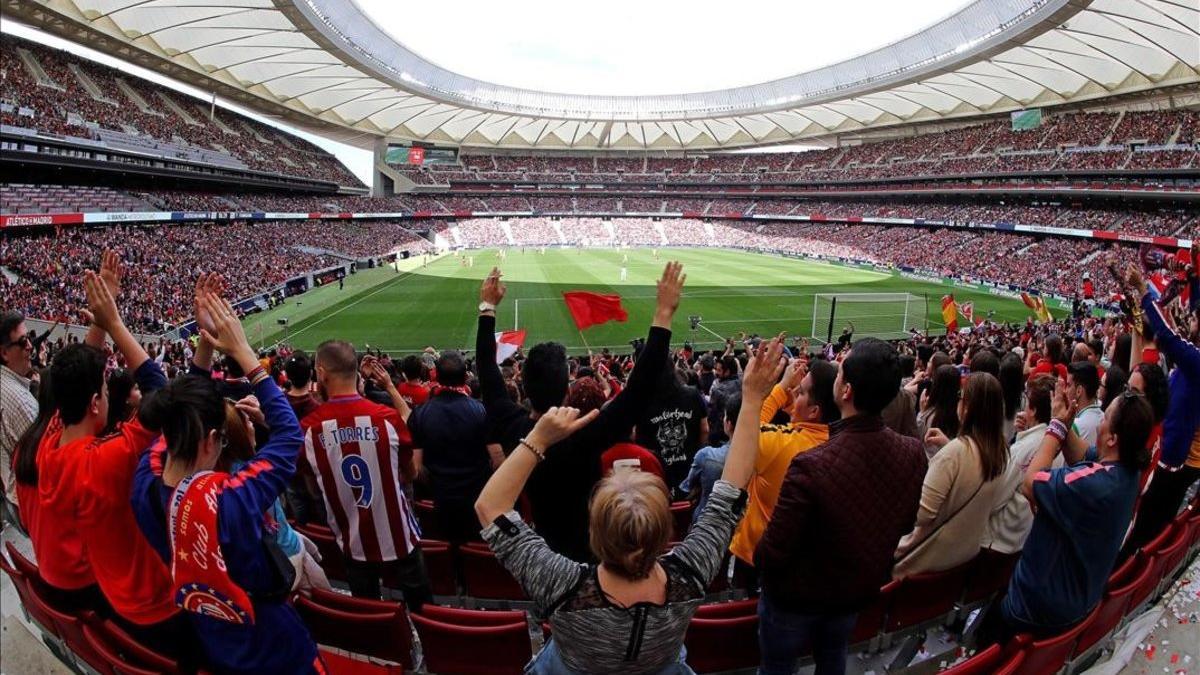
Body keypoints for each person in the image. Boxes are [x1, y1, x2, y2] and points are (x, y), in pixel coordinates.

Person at [474, 337, 786, 675]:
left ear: (595, 532)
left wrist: (537, 439)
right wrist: (753, 398)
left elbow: (490, 507)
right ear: (666, 533)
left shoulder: (559, 582)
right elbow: (730, 492)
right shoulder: (691, 572)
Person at [132, 288, 321, 674]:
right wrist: (246, 355)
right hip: (273, 646)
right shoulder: (233, 499)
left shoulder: (145, 484)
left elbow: (177, 413)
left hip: (214, 637)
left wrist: (204, 346)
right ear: (213, 441)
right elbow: (288, 434)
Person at [37, 261, 194, 657]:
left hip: (116, 598)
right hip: (158, 605)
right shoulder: (110, 457)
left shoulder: (49, 444)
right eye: (105, 390)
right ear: (94, 403)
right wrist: (117, 323)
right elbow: (162, 392)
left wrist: (103, 320)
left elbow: (76, 373)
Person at [474, 263, 681, 562]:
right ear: (567, 390)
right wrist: (663, 314)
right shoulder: (588, 435)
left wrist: (487, 307)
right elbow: (639, 389)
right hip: (594, 554)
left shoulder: (513, 428)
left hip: (544, 553)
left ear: (523, 385)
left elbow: (487, 372)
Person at [755, 338, 927, 675]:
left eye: (839, 375)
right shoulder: (912, 452)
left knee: (777, 668)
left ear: (846, 391)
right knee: (833, 659)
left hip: (795, 602)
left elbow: (770, 554)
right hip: (854, 594)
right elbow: (905, 523)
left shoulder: (811, 465)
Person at [974, 385, 1154, 644]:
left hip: (1037, 606)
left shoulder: (1095, 485)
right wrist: (1064, 421)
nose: (1101, 419)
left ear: (1113, 438)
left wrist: (1055, 427)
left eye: (1105, 417)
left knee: (988, 642)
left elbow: (1031, 482)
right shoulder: (1126, 469)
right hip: (1076, 600)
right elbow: (1081, 454)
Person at [301, 339, 431, 606]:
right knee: (422, 607)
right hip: (399, 536)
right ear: (357, 373)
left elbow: (313, 488)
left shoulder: (308, 430)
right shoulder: (388, 419)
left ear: (321, 373)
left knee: (368, 613)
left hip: (352, 540)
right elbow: (410, 472)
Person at [728, 358, 838, 591]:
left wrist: (780, 389)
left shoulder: (783, 445)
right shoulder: (839, 443)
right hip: (804, 560)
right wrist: (793, 401)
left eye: (800, 394)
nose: (794, 394)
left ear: (814, 411)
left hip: (756, 556)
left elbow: (745, 433)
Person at [895, 373, 1009, 578]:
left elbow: (922, 514)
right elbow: (972, 467)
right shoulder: (1000, 452)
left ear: (968, 407)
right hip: (959, 561)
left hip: (924, 561)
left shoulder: (956, 454)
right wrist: (948, 446)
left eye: (961, 397)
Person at [1121, 265, 1200, 551]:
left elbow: (1168, 337)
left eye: (1193, 319)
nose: (1188, 320)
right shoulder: (1194, 361)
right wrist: (1193, 279)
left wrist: (1143, 290)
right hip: (1171, 457)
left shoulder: (1197, 362)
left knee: (1139, 531)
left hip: (1167, 464)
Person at [407, 350, 491, 543]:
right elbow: (493, 458)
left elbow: (417, 468)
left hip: (440, 500)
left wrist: (438, 483)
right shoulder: (480, 411)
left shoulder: (420, 414)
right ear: (465, 377)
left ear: (437, 375)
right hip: (474, 499)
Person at [983, 374, 1057, 554]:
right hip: (1027, 536)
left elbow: (995, 498)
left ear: (1032, 410)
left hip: (1001, 541)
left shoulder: (1024, 449)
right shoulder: (1056, 442)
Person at [635, 364, 708, 492]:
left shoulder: (642, 401)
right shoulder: (692, 394)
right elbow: (705, 430)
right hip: (689, 472)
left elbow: (638, 440)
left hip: (657, 478)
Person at [0, 309, 37, 529]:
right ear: (5, 353)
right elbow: (45, 466)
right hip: (29, 507)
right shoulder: (21, 401)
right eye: (23, 342)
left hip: (14, 500)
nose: (30, 346)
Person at [679, 393, 740, 523]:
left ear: (728, 423)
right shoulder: (768, 455)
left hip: (706, 524)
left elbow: (687, 486)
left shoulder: (706, 456)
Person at [916, 364, 960, 459]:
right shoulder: (960, 412)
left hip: (930, 462)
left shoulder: (928, 415)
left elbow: (920, 438)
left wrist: (922, 413)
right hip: (951, 461)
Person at [1066, 361, 1103, 446]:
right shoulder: (1105, 418)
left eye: (1068, 385)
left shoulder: (1074, 426)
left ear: (1079, 391)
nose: (1065, 390)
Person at [706, 355, 740, 446]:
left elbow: (711, 416)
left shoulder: (717, 391)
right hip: (741, 433)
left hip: (722, 438)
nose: (716, 373)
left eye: (719, 370)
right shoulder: (744, 383)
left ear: (727, 372)